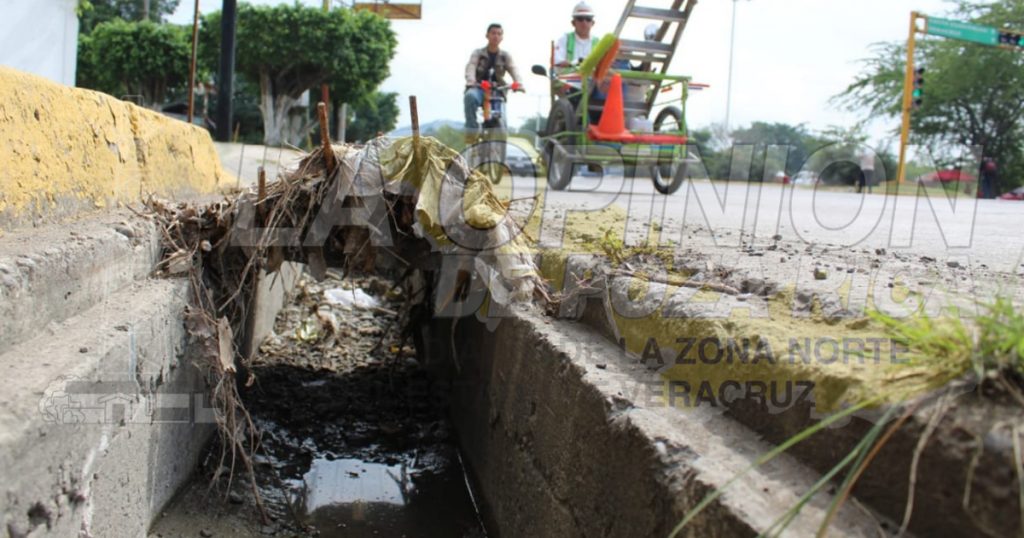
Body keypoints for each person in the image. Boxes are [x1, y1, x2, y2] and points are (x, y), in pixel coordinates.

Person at [464, 23, 523, 137]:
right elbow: (471, 67)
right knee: (470, 97)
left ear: (502, 37)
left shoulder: (505, 56)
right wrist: (471, 81)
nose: (496, 36)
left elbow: (513, 69)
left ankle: (500, 144)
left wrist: (519, 83)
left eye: (499, 34)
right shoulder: (478, 53)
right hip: (479, 88)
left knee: (502, 119)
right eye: (493, 33)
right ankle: (472, 132)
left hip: (498, 90)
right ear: (487, 35)